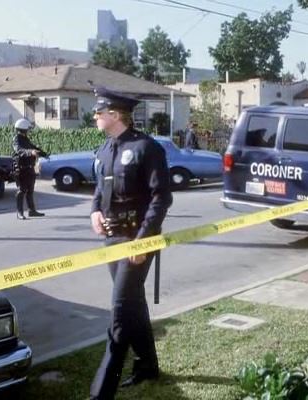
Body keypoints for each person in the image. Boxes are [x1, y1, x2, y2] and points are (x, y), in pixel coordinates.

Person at [89, 87, 173, 400]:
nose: (94, 116)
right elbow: (100, 189)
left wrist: (143, 240)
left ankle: (101, 393)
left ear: (114, 114)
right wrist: (94, 211)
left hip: (137, 239)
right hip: (112, 239)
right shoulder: (105, 150)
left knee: (120, 311)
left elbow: (161, 198)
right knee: (134, 303)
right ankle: (147, 365)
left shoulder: (146, 148)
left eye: (99, 112)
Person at [12, 118, 47, 219]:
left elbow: (33, 147)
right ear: (23, 129)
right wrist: (30, 152)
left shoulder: (25, 139)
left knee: (30, 190)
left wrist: (44, 154)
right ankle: (19, 212)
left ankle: (32, 211)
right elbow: (19, 150)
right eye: (27, 129)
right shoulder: (16, 139)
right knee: (21, 190)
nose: (28, 131)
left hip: (29, 168)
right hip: (20, 168)